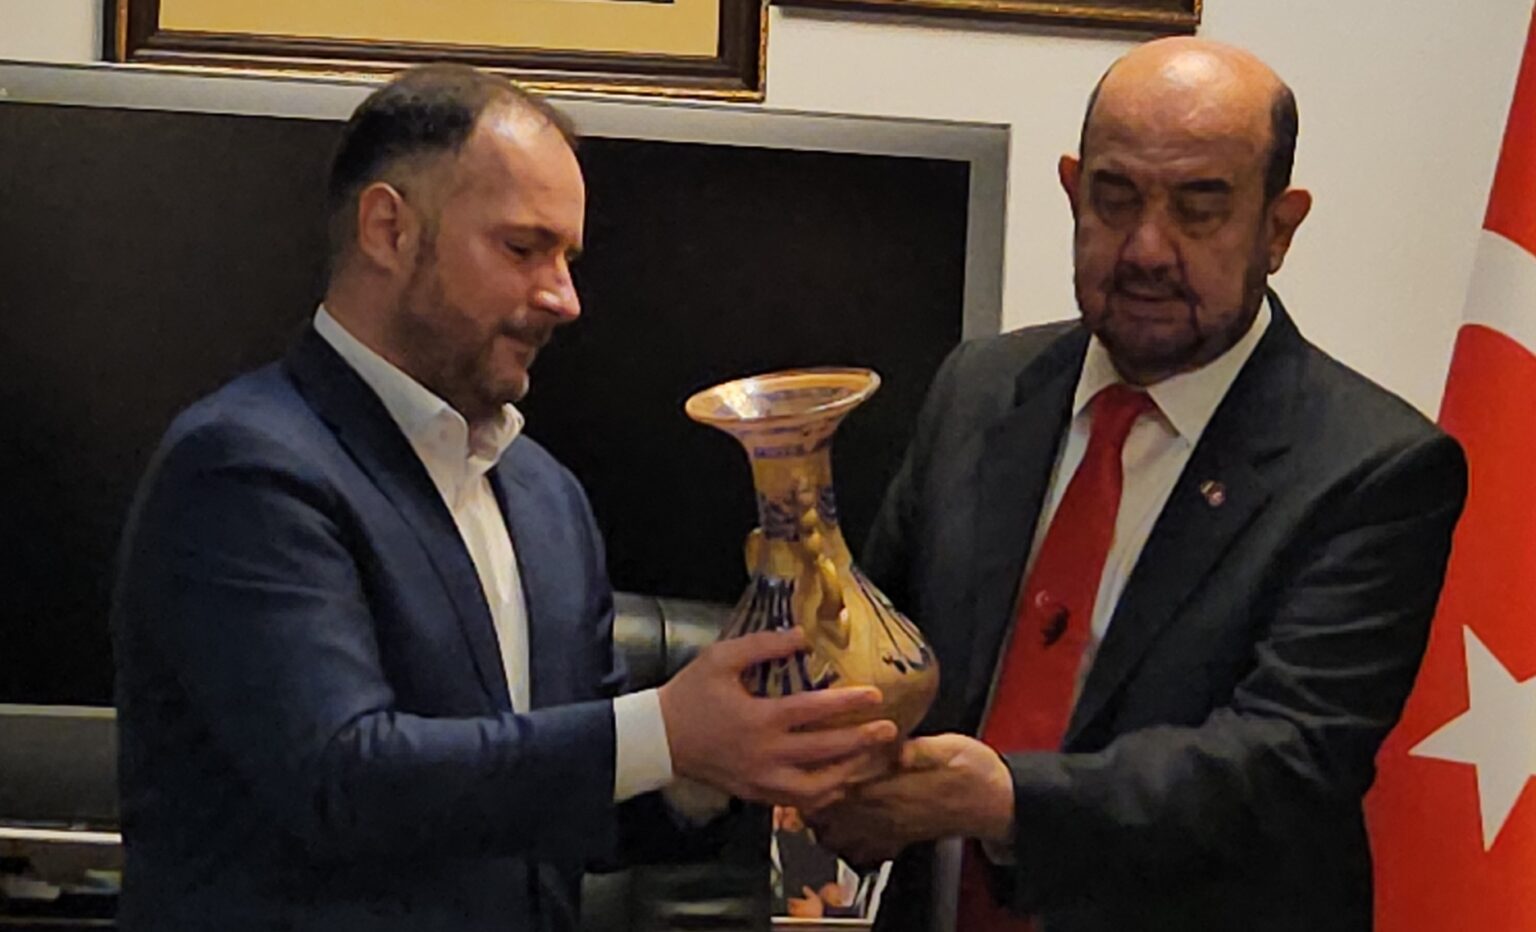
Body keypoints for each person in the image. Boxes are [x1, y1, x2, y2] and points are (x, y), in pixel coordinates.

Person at [110, 64, 896, 932]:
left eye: (568, 258)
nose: (565, 298)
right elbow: (341, 779)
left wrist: (711, 766)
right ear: (388, 230)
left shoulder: (545, 496)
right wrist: (666, 731)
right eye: (524, 249)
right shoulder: (244, 465)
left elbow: (570, 806)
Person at [810, 37, 1469, 932]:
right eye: (1115, 199)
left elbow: (1286, 760)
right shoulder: (981, 389)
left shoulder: (1374, 466)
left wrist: (1006, 801)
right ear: (1073, 190)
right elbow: (885, 640)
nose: (1147, 249)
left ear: (1278, 229)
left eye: (1200, 208)